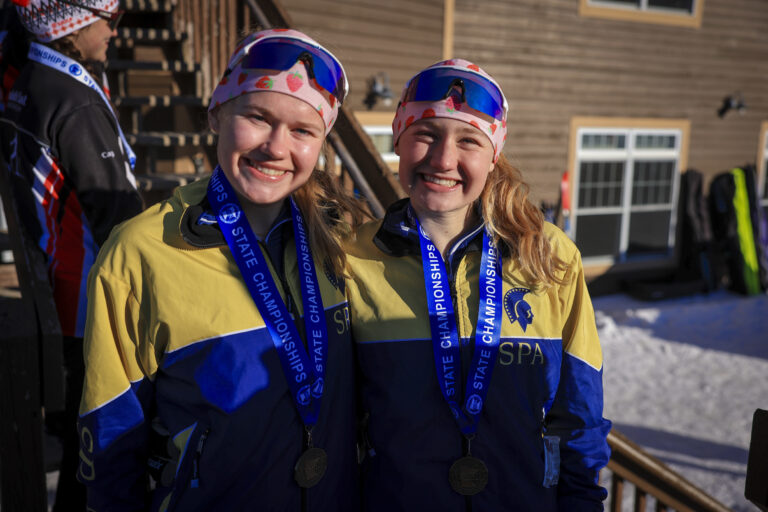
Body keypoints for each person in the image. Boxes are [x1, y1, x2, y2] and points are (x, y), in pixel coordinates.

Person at [77, 28, 363, 511]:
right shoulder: (140, 253)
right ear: (216, 114)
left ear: (321, 143)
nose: (276, 147)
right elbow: (111, 435)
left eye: (302, 131)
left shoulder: (343, 239)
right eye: (257, 117)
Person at [344, 59, 612, 511]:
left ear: (493, 156)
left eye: (468, 140)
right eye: (425, 133)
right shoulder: (349, 258)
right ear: (398, 140)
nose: (443, 159)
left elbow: (578, 412)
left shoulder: (550, 255)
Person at [0, 0, 142, 510]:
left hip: (51, 284)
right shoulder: (73, 100)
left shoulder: (30, 78)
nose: (114, 31)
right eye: (109, 18)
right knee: (98, 448)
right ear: (72, 23)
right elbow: (118, 215)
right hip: (84, 296)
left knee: (78, 443)